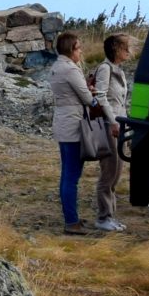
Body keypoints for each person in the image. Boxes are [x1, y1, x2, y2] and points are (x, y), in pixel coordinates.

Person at [47, 30, 95, 236]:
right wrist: (93, 96)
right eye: (78, 48)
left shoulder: (56, 67)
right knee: (72, 176)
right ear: (71, 49)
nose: (81, 51)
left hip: (62, 122)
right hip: (74, 125)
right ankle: (71, 221)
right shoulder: (71, 70)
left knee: (67, 173)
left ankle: (71, 216)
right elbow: (86, 98)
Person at [91, 33, 132, 232]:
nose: (128, 52)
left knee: (117, 171)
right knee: (109, 172)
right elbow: (100, 96)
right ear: (116, 49)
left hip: (119, 125)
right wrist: (112, 120)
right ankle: (103, 216)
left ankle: (110, 215)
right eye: (125, 48)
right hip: (110, 125)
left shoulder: (118, 71)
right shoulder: (105, 69)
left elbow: (121, 100)